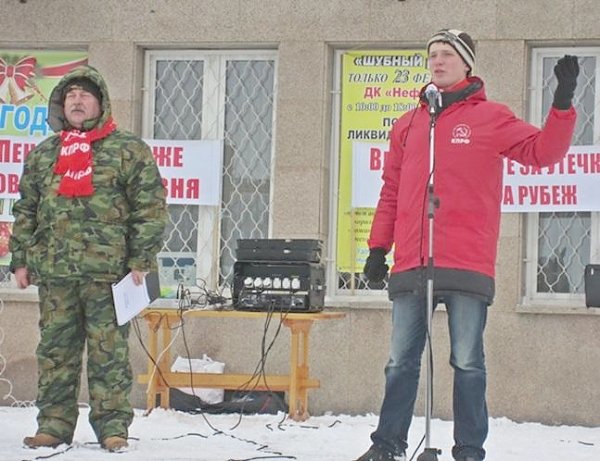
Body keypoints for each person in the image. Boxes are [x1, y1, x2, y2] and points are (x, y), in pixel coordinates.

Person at [357, 29, 579, 461]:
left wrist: (563, 102)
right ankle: (386, 446)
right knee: (400, 362)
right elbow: (391, 190)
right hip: (412, 262)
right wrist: (377, 248)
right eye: (432, 54)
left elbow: (543, 152)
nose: (437, 61)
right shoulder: (408, 124)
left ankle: (469, 450)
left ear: (466, 64)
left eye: (446, 54)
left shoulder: (491, 117)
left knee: (467, 362)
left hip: (467, 262)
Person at [9, 65, 167, 452]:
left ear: (101, 104)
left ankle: (113, 428)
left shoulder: (128, 150)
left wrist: (140, 259)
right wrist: (20, 258)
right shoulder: (45, 154)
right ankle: (54, 424)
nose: (77, 101)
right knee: (55, 353)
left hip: (110, 274)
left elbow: (149, 207)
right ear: (61, 106)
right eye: (70, 96)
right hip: (57, 274)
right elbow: (27, 209)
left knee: (108, 355)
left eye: (85, 94)